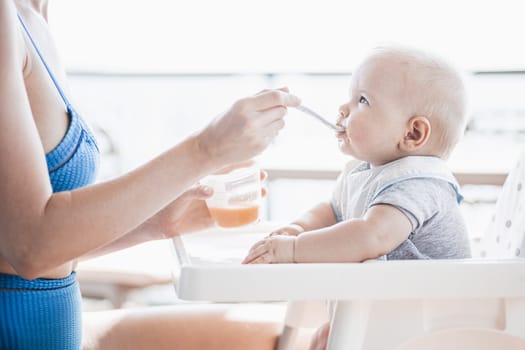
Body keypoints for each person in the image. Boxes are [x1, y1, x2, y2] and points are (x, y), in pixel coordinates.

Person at [0, 1, 303, 349]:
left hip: (58, 328)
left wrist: (155, 222)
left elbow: (14, 238)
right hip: (21, 335)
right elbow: (29, 247)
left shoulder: (34, 15)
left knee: (289, 333)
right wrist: (204, 150)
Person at [242, 46, 472, 349]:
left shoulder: (420, 182)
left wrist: (292, 250)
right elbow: (331, 211)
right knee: (325, 337)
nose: (343, 108)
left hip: (434, 327)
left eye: (362, 100)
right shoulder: (364, 173)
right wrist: (299, 228)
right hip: (391, 312)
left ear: (413, 133)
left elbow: (371, 236)